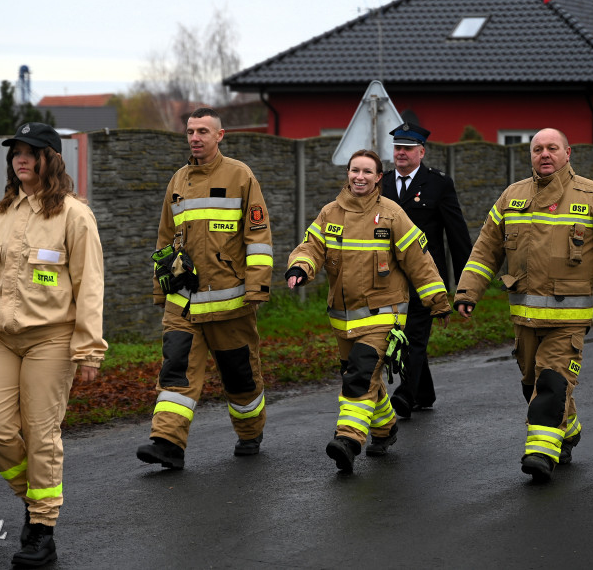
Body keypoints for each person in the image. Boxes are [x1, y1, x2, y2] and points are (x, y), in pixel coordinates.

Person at [0, 122, 106, 567]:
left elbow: (90, 286)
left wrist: (89, 348)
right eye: (15, 152)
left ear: (50, 158)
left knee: (42, 434)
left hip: (51, 339)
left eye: (30, 151)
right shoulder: (0, 213)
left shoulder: (74, 215)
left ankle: (41, 528)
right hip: (0, 337)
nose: (20, 158)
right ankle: (35, 497)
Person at [454, 128, 593, 483]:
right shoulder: (512, 196)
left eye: (552, 148)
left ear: (567, 152)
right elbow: (485, 251)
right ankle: (567, 430)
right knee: (532, 385)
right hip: (523, 319)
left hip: (568, 319)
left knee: (552, 381)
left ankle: (540, 453)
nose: (545, 154)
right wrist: (467, 293)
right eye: (538, 148)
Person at [286, 149, 451, 473]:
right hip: (343, 319)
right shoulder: (330, 213)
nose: (359, 176)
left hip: (383, 315)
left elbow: (420, 262)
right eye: (354, 170)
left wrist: (437, 302)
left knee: (360, 374)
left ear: (378, 177)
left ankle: (348, 440)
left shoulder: (392, 214)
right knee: (364, 377)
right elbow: (312, 247)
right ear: (348, 174)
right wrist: (300, 268)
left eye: (367, 171)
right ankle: (385, 429)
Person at [137, 107, 273, 470]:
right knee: (176, 370)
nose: (195, 137)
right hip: (183, 303)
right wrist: (159, 289)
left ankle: (249, 432)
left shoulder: (241, 176)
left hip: (231, 303)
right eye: (190, 131)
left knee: (240, 377)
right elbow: (165, 240)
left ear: (220, 135)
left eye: (202, 131)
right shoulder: (178, 181)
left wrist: (257, 287)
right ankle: (167, 442)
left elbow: (257, 236)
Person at [380, 122, 472, 419]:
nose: (401, 153)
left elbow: (456, 235)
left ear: (421, 151)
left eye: (407, 148)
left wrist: (467, 284)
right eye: (397, 148)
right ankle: (425, 392)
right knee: (399, 333)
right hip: (389, 277)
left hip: (426, 278)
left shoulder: (438, 184)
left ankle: (405, 395)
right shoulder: (381, 183)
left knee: (414, 336)